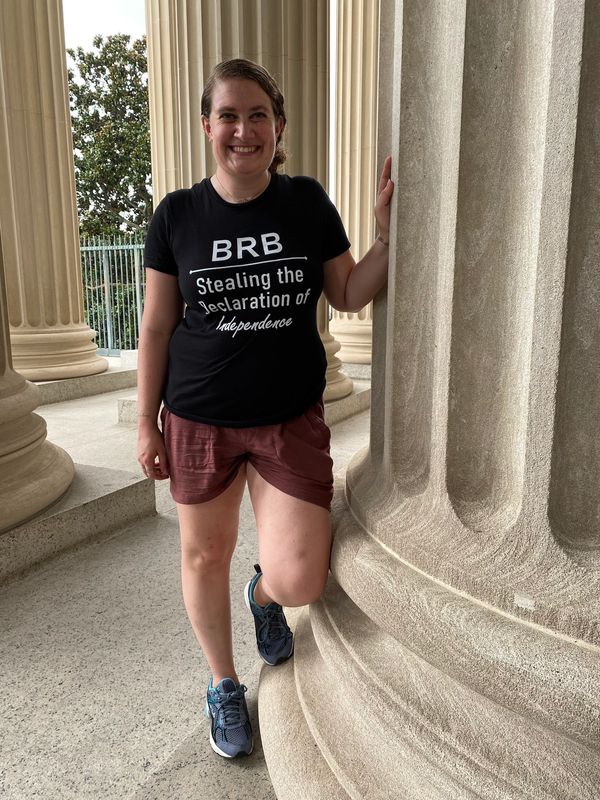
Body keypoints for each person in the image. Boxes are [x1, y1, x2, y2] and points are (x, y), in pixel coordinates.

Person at [137, 58, 393, 759]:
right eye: (228, 115)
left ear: (277, 127)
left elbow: (346, 293)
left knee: (302, 576)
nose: (243, 130)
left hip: (287, 417)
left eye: (258, 116)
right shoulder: (178, 216)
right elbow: (157, 326)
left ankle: (264, 596)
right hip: (197, 414)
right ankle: (223, 684)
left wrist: (387, 236)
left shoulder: (305, 202)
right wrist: (145, 421)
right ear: (206, 125)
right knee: (203, 553)